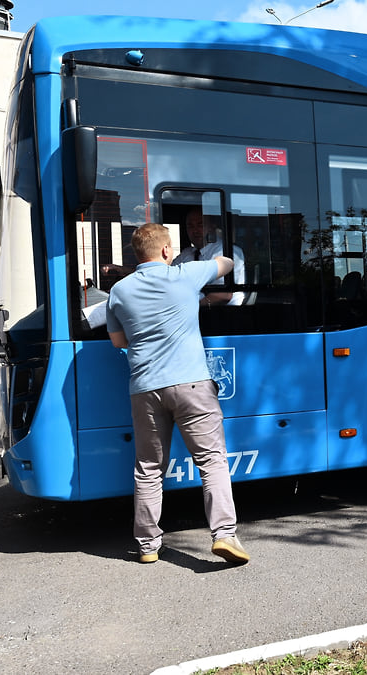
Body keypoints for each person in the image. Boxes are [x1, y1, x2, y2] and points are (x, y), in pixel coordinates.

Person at [105, 222, 250, 565]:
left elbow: (118, 342)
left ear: (136, 254)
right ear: (167, 250)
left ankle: (147, 546)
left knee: (148, 468)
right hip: (191, 385)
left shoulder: (120, 292)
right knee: (211, 459)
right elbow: (226, 264)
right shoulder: (186, 275)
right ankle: (224, 535)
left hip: (144, 388)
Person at [172, 208, 246, 306]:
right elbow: (169, 279)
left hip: (225, 313)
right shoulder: (187, 254)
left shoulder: (227, 251)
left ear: (212, 227)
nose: (195, 230)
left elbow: (224, 295)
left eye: (200, 225)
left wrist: (191, 307)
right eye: (190, 226)